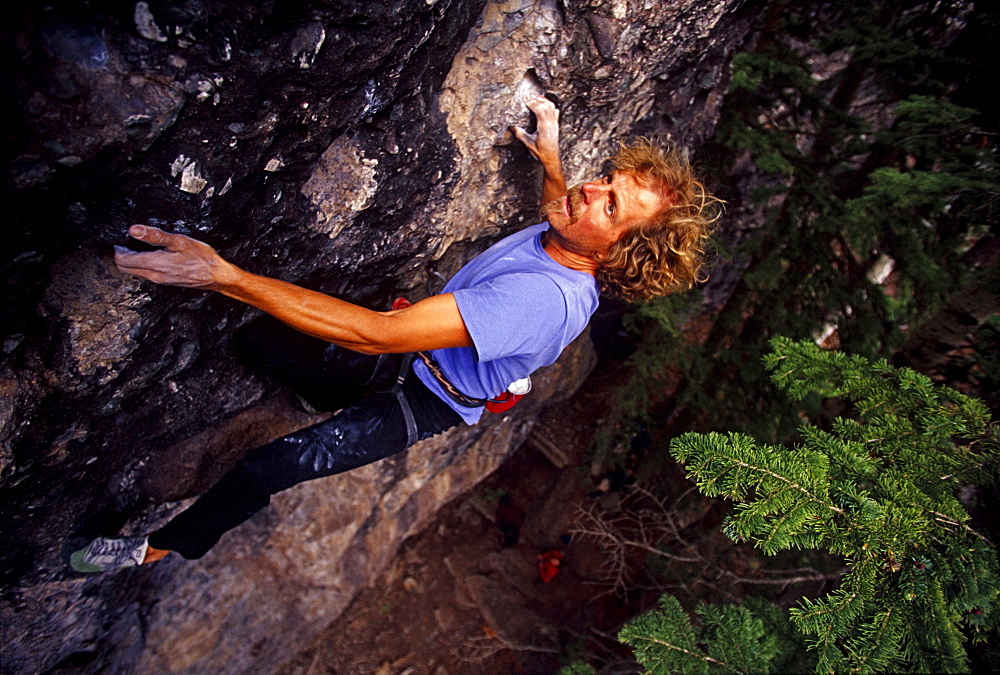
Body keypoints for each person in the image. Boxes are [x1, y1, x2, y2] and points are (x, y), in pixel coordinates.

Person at [69, 93, 720, 572]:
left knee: (273, 463)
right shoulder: (571, 228)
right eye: (606, 177)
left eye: (610, 203)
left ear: (617, 256)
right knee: (261, 345)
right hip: (424, 349)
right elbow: (559, 203)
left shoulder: (540, 300)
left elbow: (377, 335)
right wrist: (552, 155)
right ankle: (311, 394)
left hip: (425, 397)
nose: (587, 189)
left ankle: (157, 548)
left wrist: (221, 274)